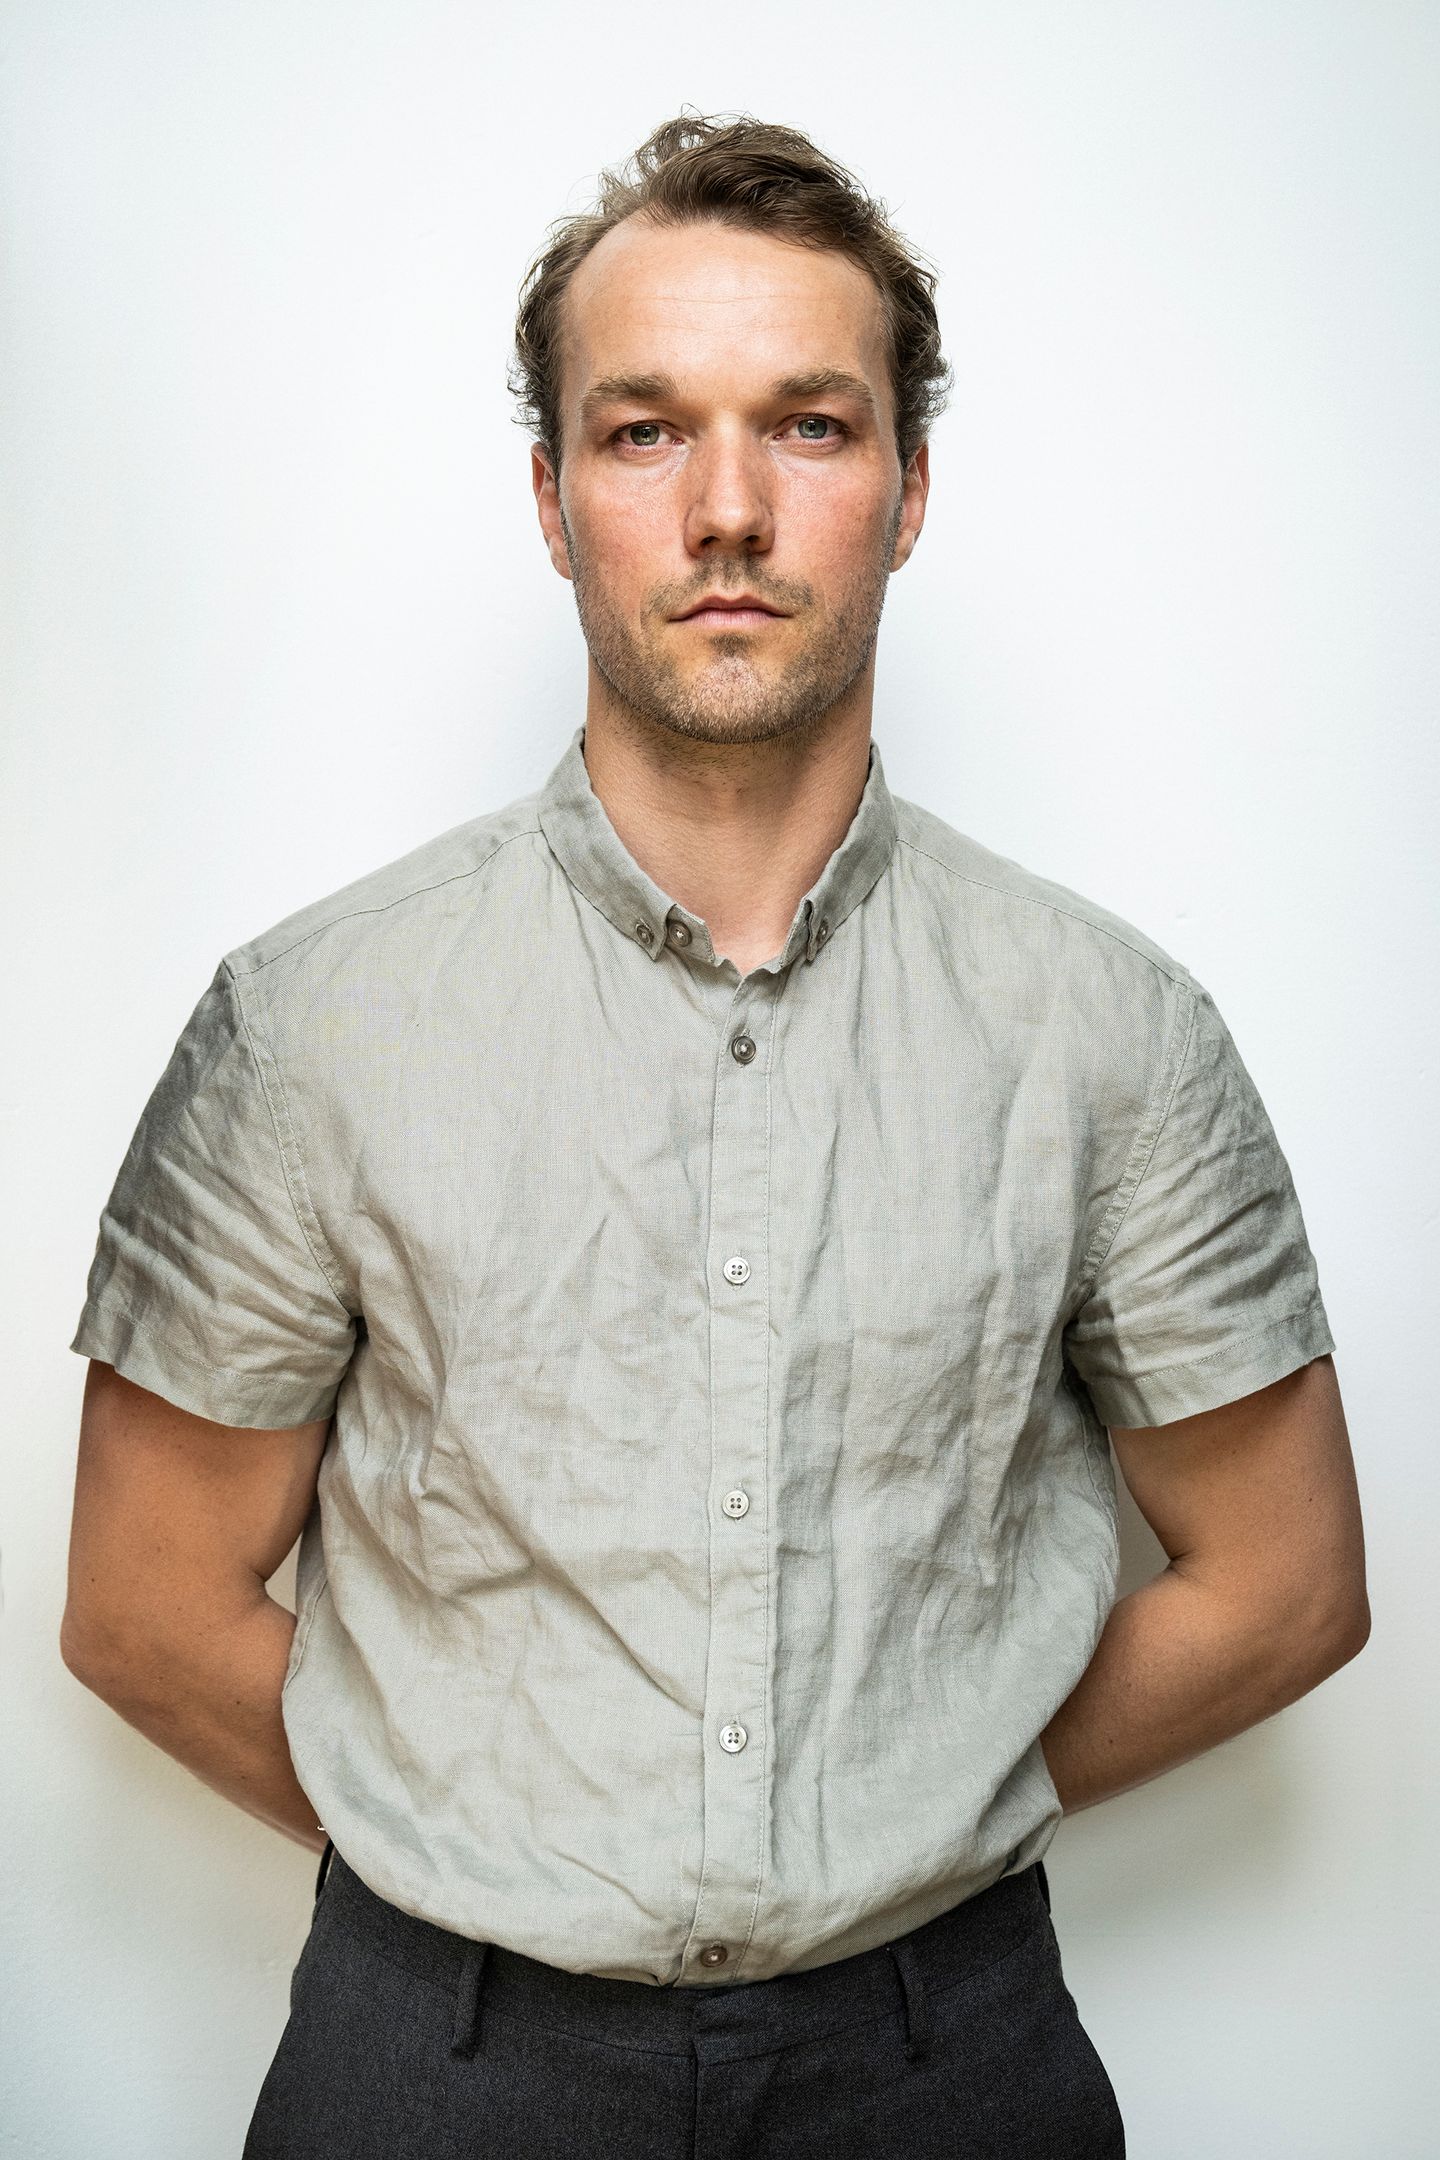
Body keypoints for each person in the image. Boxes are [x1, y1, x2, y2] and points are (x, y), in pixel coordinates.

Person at [61, 111, 1368, 2159]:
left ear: (911, 489)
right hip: (436, 2072)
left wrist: (922, 1799)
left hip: (948, 2065)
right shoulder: (311, 1024)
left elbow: (1284, 1584)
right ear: (553, 497)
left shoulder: (1113, 1031)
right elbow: (143, 1606)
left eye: (812, 427)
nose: (730, 511)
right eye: (646, 430)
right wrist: (480, 1839)